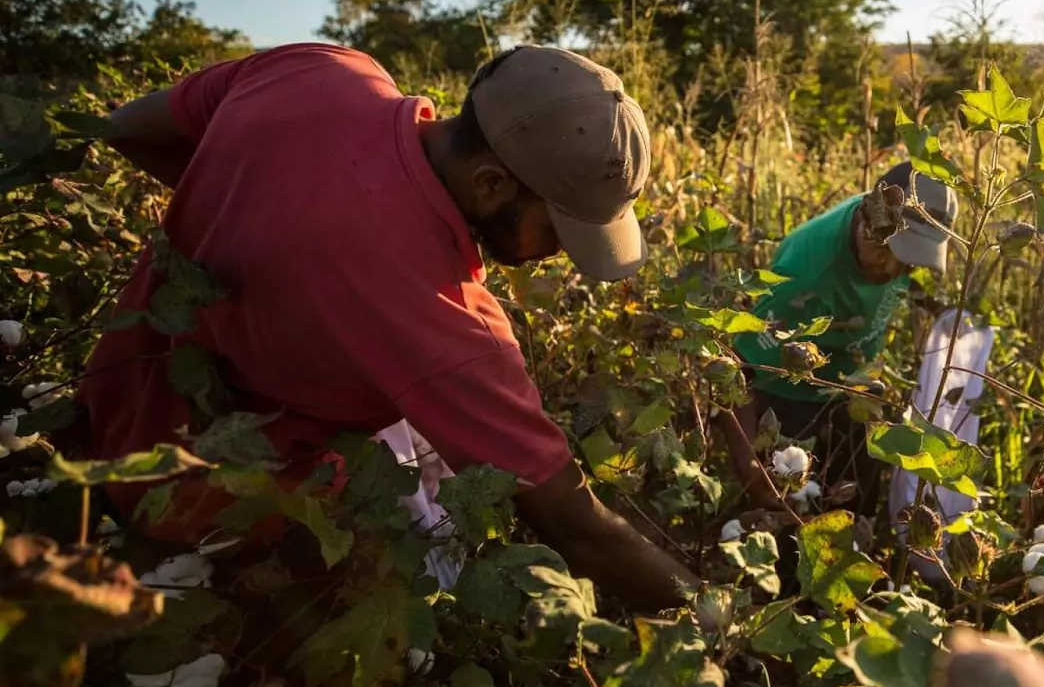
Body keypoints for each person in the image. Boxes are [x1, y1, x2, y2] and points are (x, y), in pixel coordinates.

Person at [78, 42, 699, 613]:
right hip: (202, 514)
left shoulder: (318, 71)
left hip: (106, 403)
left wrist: (253, 223)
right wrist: (713, 615)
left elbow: (129, 126)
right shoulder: (439, 317)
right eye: (558, 231)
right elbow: (576, 526)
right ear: (490, 184)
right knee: (402, 608)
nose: (559, 256)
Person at [717, 161, 957, 510]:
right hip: (787, 405)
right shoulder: (804, 280)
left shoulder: (890, 216)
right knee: (789, 519)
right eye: (892, 253)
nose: (895, 271)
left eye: (910, 262)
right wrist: (747, 463)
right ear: (867, 224)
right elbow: (740, 369)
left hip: (854, 395)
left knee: (855, 510)